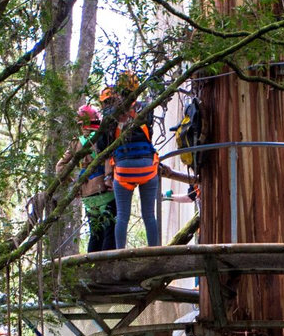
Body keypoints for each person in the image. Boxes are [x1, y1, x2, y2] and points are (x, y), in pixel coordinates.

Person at [98, 73, 197, 248]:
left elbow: (102, 146)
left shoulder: (112, 114)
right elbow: (149, 131)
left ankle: (121, 254)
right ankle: (154, 251)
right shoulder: (146, 107)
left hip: (123, 169)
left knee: (122, 216)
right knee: (149, 215)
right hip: (147, 167)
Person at [75, 102, 119, 252]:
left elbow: (60, 166)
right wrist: (108, 178)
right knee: (109, 231)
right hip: (104, 191)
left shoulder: (76, 143)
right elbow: (107, 157)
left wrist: (74, 185)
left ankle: (91, 263)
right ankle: (108, 263)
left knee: (95, 233)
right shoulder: (101, 138)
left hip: (87, 195)